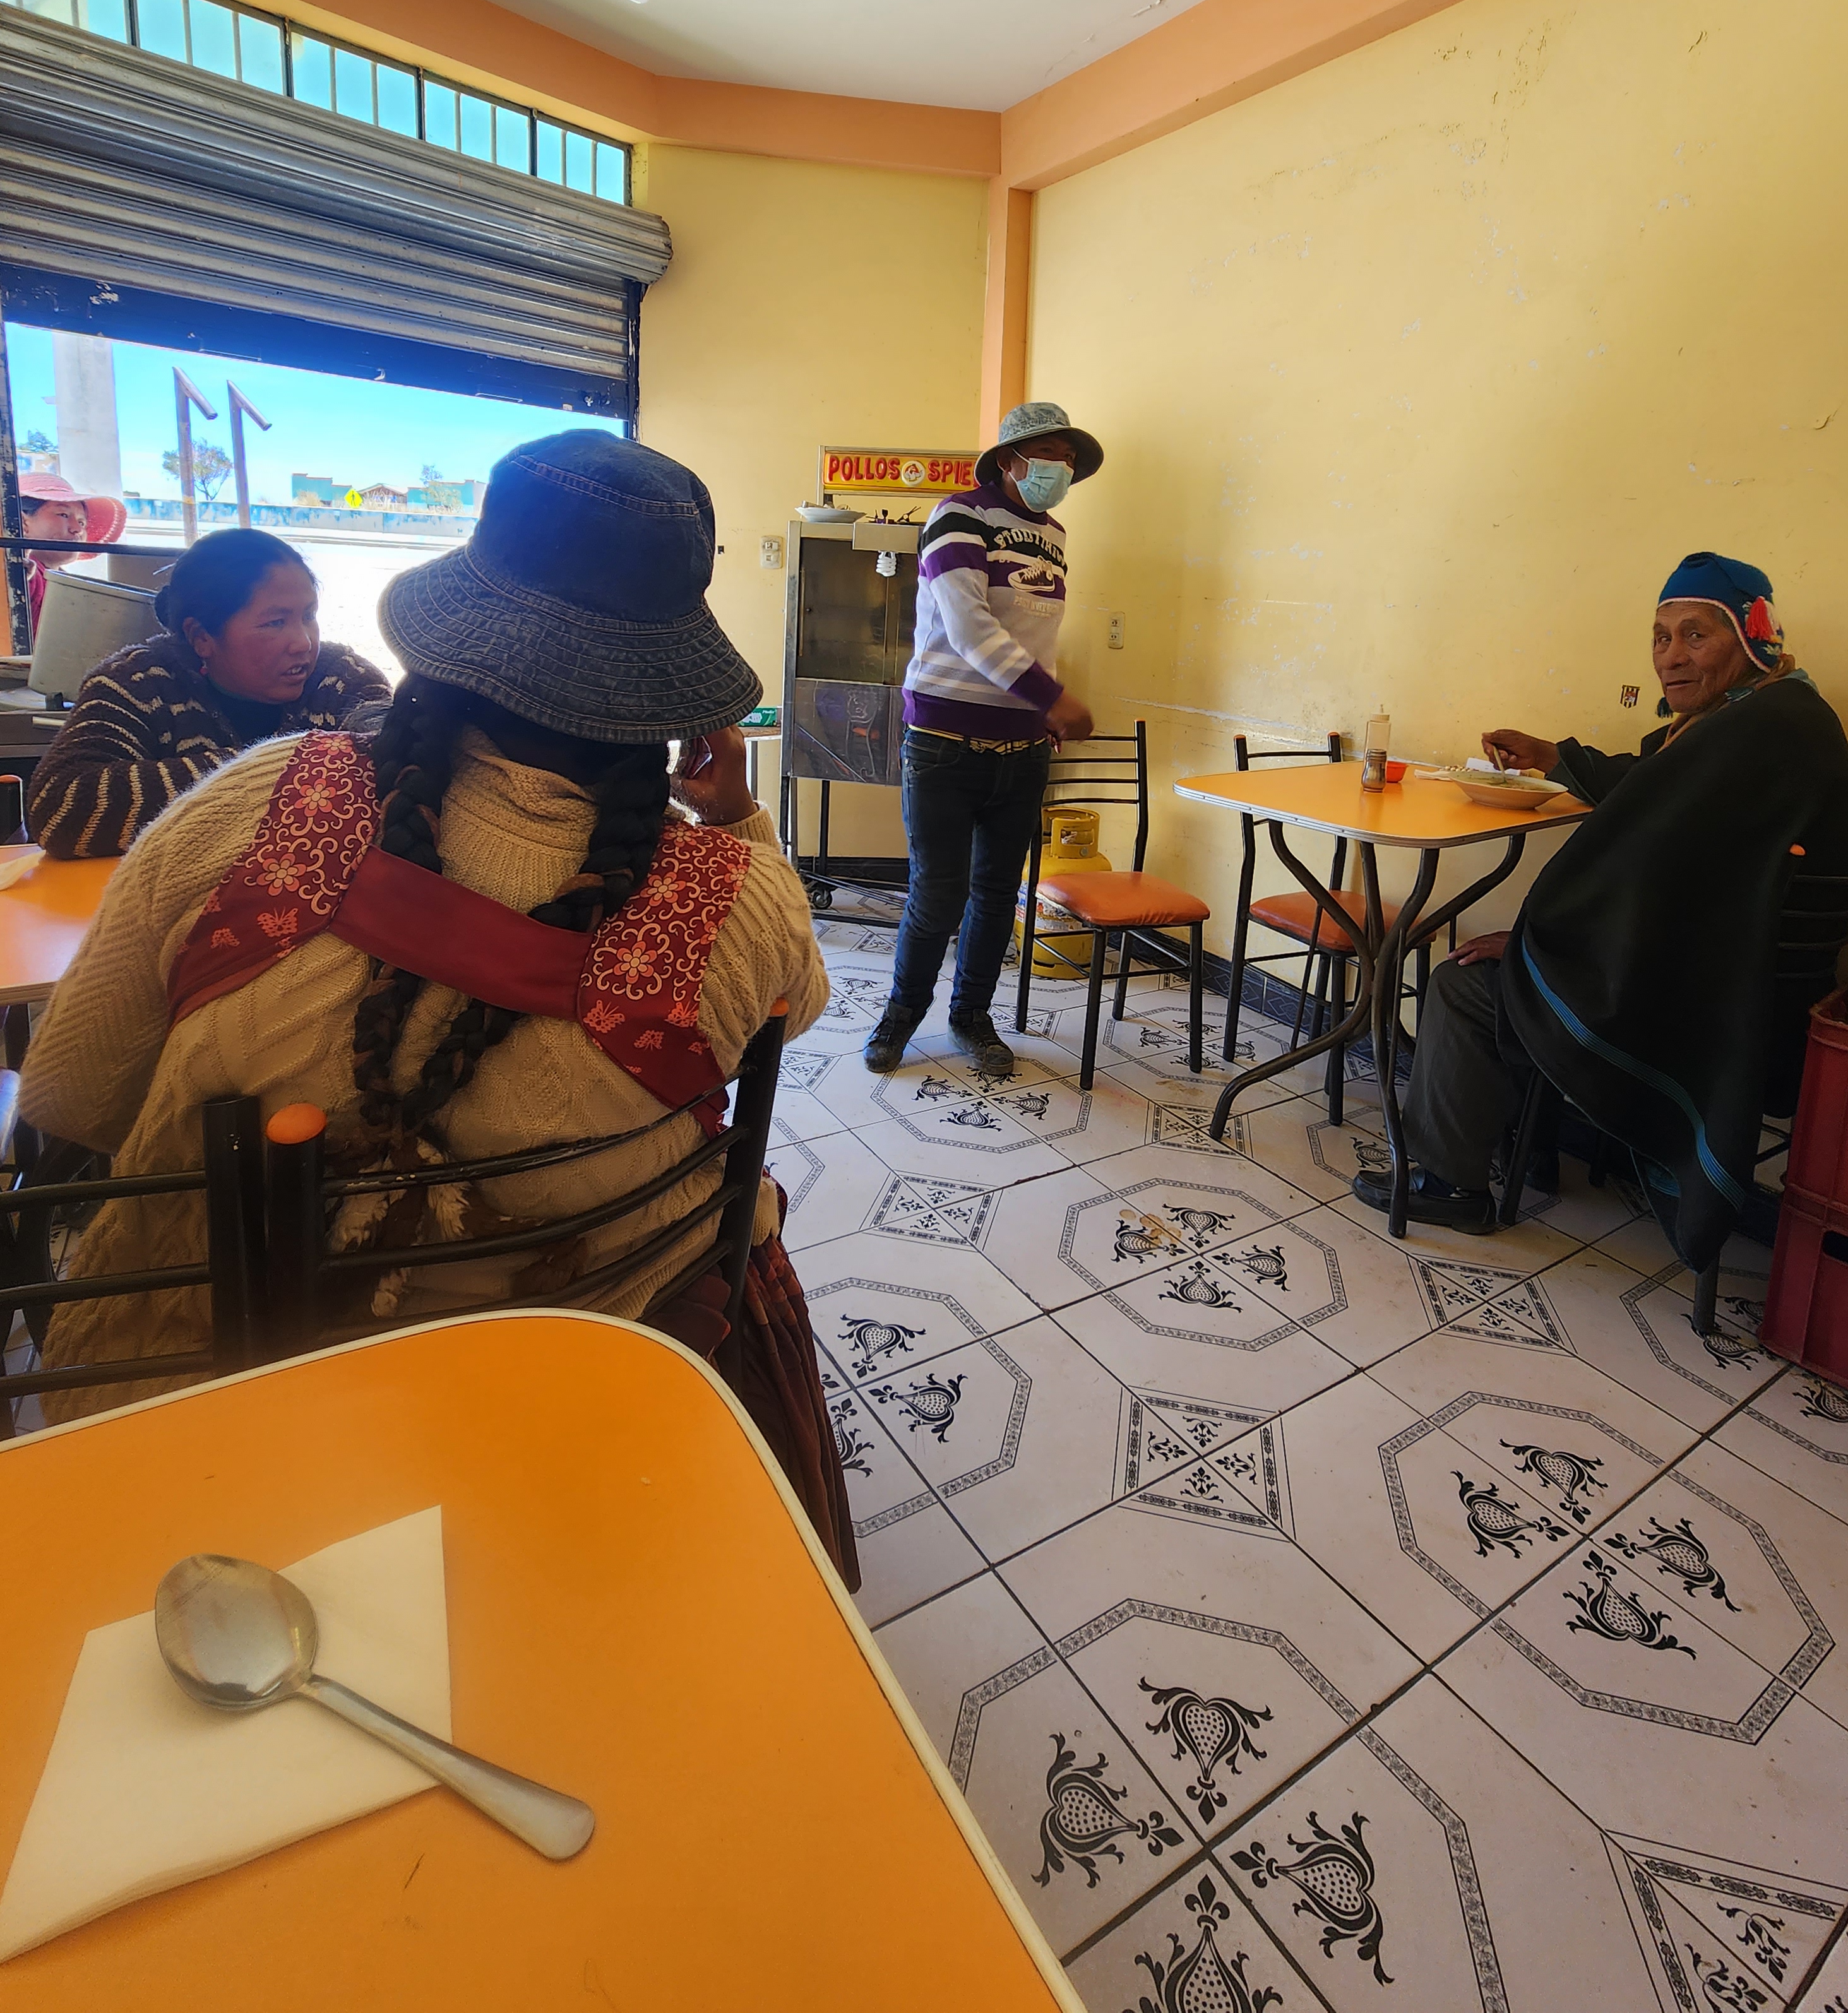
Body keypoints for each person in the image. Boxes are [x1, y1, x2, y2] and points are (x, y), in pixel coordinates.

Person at [20, 432, 856, 1581]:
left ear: (451, 638)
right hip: (579, 1417)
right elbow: (792, 1010)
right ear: (671, 698)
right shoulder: (742, 899)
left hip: (229, 1420)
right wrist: (739, 824)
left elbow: (74, 1096)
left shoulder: (254, 802)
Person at [1353, 552, 1848, 1258]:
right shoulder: (1775, 715)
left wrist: (1532, 938)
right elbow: (1652, 791)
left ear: (1755, 636)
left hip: (1719, 1013)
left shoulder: (1761, 730)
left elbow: (1642, 858)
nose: (1670, 657)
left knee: (1466, 984)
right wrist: (1553, 756)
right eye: (1660, 637)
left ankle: (1450, 1182)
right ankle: (1529, 1148)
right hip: (1748, 990)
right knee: (1523, 974)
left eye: (1696, 635)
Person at [864, 400, 1102, 1080]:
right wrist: (1053, 700)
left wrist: (1038, 712)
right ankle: (901, 1015)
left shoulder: (1054, 534)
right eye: (1049, 454)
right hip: (944, 742)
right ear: (1009, 460)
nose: (1062, 468)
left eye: (1070, 459)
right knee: (937, 895)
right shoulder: (959, 516)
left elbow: (1034, 638)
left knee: (997, 895)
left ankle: (970, 1016)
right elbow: (969, 628)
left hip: (1022, 751)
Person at [25, 527, 388, 857]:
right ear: (201, 637)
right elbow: (59, 809)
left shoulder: (343, 680)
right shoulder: (139, 683)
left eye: (309, 615)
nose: (303, 643)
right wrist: (290, 767)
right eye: (275, 622)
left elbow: (394, 769)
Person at [16, 468, 128, 638]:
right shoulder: (25, 572)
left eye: (82, 523)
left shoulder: (66, 584)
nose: (77, 529)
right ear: (23, 522)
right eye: (63, 515)